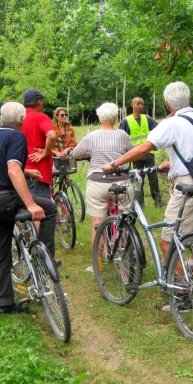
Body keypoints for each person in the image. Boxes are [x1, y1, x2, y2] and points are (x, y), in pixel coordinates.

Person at [103, 82, 193, 296]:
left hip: (188, 185)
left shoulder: (172, 123)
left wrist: (115, 164)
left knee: (168, 242)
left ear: (167, 104)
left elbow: (145, 147)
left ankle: (184, 294)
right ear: (190, 99)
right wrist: (172, 164)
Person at [0, 102, 57, 314]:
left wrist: (27, 172)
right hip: (5, 199)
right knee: (48, 208)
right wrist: (31, 204)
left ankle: (4, 304)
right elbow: (12, 169)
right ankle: (44, 259)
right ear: (21, 120)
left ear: (1, 118)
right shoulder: (17, 137)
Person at [72, 103, 134, 271]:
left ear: (99, 117)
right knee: (125, 220)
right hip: (121, 183)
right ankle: (128, 257)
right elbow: (132, 151)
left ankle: (96, 265)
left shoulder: (91, 136)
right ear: (115, 118)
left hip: (98, 183)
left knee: (98, 224)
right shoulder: (122, 134)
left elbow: (76, 154)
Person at [119, 96, 162, 207]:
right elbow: (120, 137)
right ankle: (140, 203)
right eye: (138, 104)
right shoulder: (125, 121)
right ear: (132, 105)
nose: (140, 106)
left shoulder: (147, 118)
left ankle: (157, 201)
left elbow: (159, 129)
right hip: (136, 155)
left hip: (148, 154)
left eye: (142, 104)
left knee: (153, 178)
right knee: (139, 179)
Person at [21, 88, 57, 199]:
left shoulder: (17, 118)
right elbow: (52, 135)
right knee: (40, 211)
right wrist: (46, 152)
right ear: (39, 102)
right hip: (38, 172)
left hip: (20, 171)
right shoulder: (41, 117)